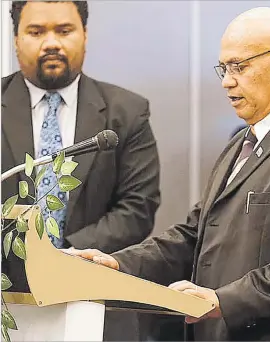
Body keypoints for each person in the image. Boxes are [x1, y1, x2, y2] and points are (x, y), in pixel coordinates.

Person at [67, 7, 270, 341]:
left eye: (240, 66)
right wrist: (117, 264)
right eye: (224, 68)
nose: (227, 81)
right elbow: (194, 236)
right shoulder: (240, 143)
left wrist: (223, 301)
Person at [1, 1, 160, 340]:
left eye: (64, 30)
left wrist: (62, 256)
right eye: (36, 31)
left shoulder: (127, 113)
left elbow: (137, 209)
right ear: (16, 39)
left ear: (85, 35)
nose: (52, 42)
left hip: (95, 301)